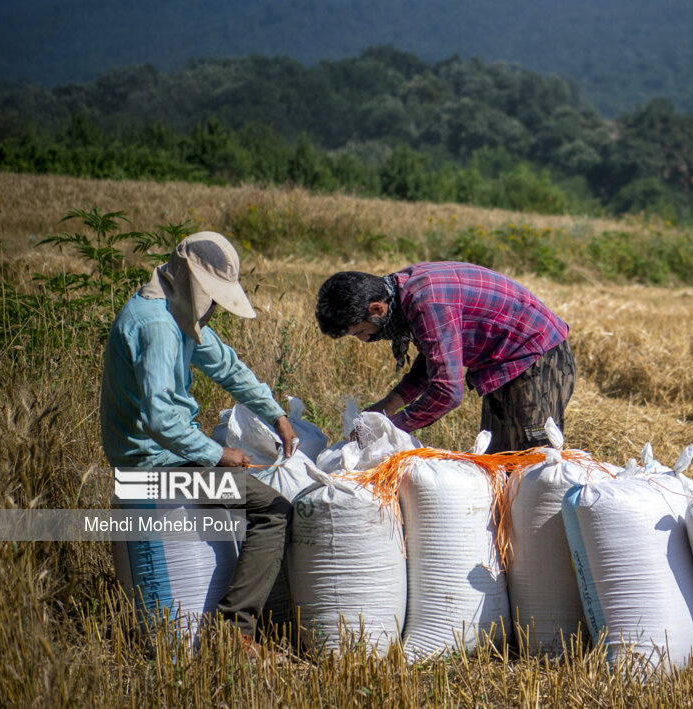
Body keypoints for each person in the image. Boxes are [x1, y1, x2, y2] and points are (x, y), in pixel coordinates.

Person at [100, 231, 296, 653]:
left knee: (261, 504)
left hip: (173, 461)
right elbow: (160, 420)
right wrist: (219, 454)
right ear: (191, 283)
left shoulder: (175, 313)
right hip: (155, 470)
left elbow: (226, 366)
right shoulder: (156, 328)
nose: (212, 307)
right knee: (274, 510)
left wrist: (275, 413)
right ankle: (235, 629)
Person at [314, 261, 575, 453]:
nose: (364, 339)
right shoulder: (399, 292)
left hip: (536, 356)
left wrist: (392, 428)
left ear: (377, 308)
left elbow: (448, 392)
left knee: (533, 459)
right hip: (500, 363)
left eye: (360, 331)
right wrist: (386, 407)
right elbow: (433, 359)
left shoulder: (426, 302)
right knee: (498, 456)